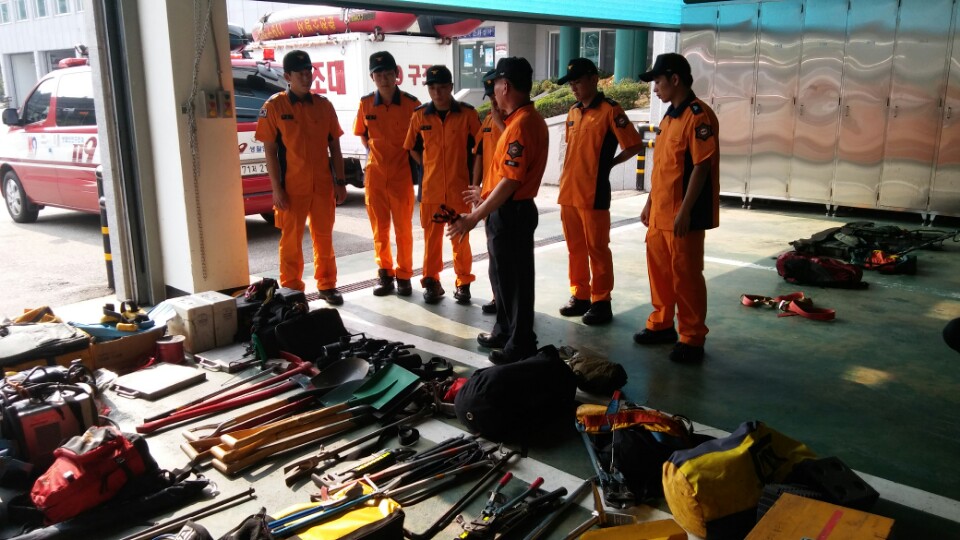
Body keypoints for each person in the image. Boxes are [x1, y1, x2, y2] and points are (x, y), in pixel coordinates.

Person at [447, 57, 549, 365]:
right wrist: (484, 195)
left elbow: (511, 182)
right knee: (502, 277)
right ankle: (504, 330)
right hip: (507, 210)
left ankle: (520, 343)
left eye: (496, 85)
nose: (493, 91)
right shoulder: (521, 121)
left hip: (512, 213)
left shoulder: (522, 125)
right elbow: (507, 170)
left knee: (515, 282)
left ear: (506, 86)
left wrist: (473, 217)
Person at [635, 53, 720, 362]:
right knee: (659, 274)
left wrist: (684, 211)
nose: (655, 88)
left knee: (686, 276)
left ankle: (692, 337)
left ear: (675, 79)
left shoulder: (698, 116)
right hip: (660, 214)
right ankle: (661, 324)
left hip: (683, 216)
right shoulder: (669, 118)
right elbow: (663, 169)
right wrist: (649, 202)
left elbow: (702, 165)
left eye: (658, 81)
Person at [556, 58, 644, 326]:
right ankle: (580, 295)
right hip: (568, 191)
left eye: (578, 82)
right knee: (575, 248)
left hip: (593, 192)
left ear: (594, 79)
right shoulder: (573, 112)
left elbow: (634, 145)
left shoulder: (610, 110)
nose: (574, 88)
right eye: (571, 84)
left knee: (597, 248)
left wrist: (611, 163)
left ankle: (601, 301)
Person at [256, 50, 347, 305]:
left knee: (324, 237)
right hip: (292, 187)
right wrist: (277, 189)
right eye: (301, 74)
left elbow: (335, 147)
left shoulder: (323, 105)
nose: (307, 78)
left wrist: (340, 181)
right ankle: (292, 291)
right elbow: (270, 151)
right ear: (288, 76)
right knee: (291, 242)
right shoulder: (275, 107)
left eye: (309, 72)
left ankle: (327, 285)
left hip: (322, 186)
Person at [403, 65, 481, 305]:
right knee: (431, 240)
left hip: (459, 190)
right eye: (432, 88)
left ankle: (463, 283)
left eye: (442, 87)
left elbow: (480, 147)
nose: (437, 93)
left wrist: (475, 182)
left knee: (460, 238)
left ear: (451, 87)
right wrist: (427, 167)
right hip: (432, 191)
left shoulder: (467, 114)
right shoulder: (419, 116)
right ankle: (431, 282)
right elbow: (411, 147)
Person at [354, 51, 421, 297]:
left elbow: (420, 140)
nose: (384, 79)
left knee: (403, 229)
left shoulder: (412, 104)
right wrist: (374, 154)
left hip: (402, 175)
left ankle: (404, 276)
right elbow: (362, 134)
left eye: (388, 74)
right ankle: (385, 274)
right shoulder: (365, 104)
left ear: (397, 75)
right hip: (375, 175)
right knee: (379, 230)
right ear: (372, 77)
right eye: (378, 74)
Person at [471, 70, 505, 315]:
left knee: (507, 254)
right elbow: (479, 155)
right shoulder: (487, 121)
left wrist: (499, 121)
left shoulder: (517, 122)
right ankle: (497, 297)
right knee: (494, 252)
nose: (493, 100)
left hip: (507, 196)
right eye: (490, 96)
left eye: (495, 95)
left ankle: (507, 302)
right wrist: (475, 187)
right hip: (487, 196)